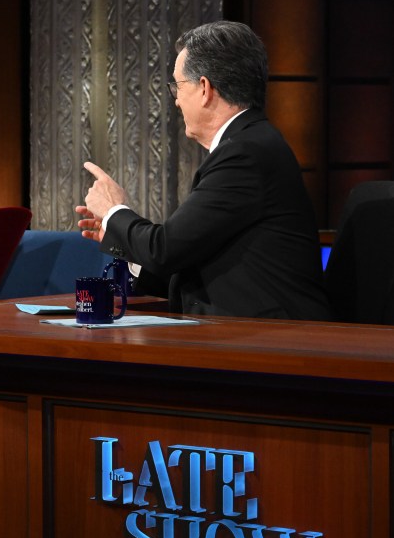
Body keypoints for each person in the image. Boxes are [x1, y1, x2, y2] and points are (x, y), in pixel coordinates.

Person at [76, 20, 332, 321]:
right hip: (239, 331)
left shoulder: (245, 154)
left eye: (178, 86)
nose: (175, 100)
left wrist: (113, 210)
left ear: (205, 88)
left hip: (268, 341)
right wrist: (123, 240)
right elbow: (184, 259)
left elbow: (165, 248)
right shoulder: (248, 145)